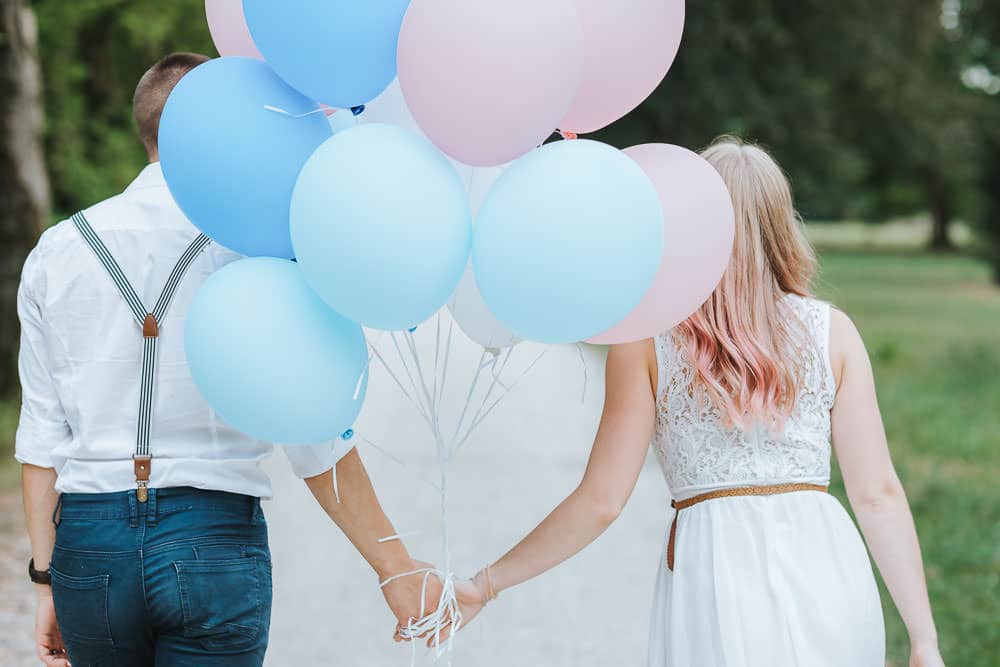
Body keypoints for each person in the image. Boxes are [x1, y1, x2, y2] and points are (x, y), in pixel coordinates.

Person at [449, 137, 946, 667]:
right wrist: (924, 640)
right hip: (827, 567)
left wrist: (487, 583)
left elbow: (601, 501)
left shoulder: (647, 342)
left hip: (714, 575)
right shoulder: (834, 333)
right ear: (782, 226)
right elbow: (877, 495)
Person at [16, 52, 436, 667]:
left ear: (146, 130)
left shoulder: (57, 251)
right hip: (211, 539)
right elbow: (312, 435)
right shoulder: (257, 246)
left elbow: (41, 436)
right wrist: (394, 567)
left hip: (91, 545)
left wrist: (46, 578)